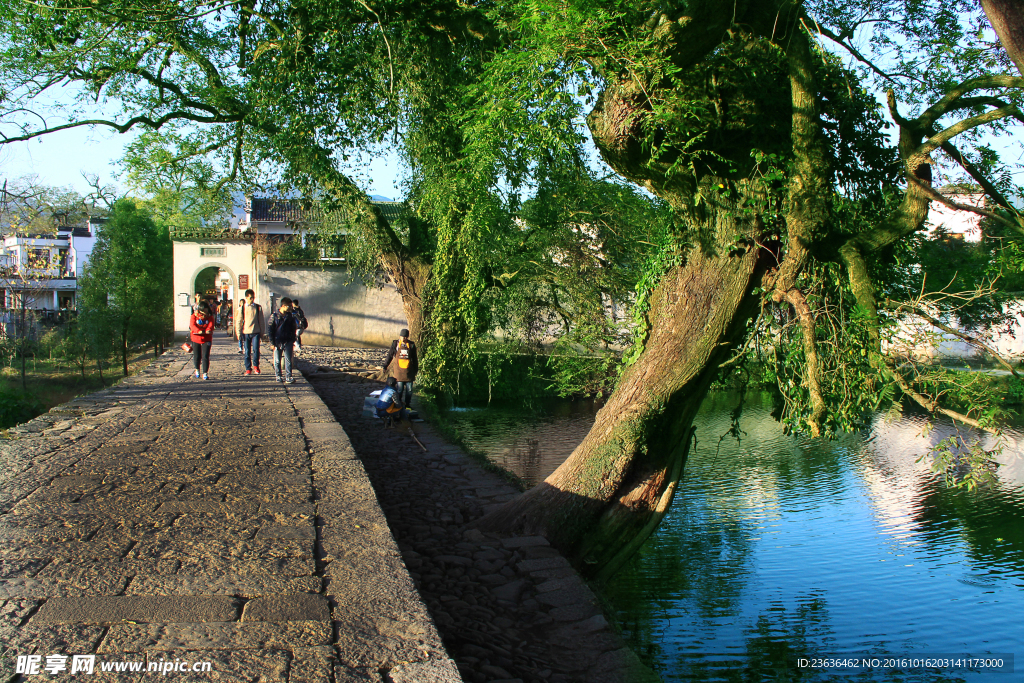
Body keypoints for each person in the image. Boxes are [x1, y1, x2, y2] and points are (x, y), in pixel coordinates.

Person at [382, 327, 418, 407]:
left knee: (409, 390)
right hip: (399, 371)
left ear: (408, 337)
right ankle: (398, 405)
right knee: (399, 390)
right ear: (400, 336)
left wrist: (416, 370)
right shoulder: (396, 344)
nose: (404, 338)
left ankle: (407, 405)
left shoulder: (411, 345)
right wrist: (385, 366)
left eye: (405, 337)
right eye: (402, 336)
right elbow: (390, 355)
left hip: (409, 371)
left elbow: (415, 359)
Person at [268, 297, 300, 383]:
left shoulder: (290, 317)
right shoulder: (274, 316)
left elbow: (293, 328)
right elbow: (270, 330)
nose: (291, 308)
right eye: (289, 306)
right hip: (277, 341)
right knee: (277, 360)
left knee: (288, 359)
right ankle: (278, 376)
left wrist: (293, 339)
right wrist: (272, 342)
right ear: (283, 306)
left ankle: (288, 376)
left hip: (288, 340)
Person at [235, 289, 266, 375]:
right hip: (246, 332)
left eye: (253, 297)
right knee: (247, 351)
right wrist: (238, 333)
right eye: (250, 298)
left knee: (256, 350)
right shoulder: (242, 308)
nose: (252, 299)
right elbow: (239, 321)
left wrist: (262, 333)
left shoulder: (258, 307)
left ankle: (256, 366)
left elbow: (261, 321)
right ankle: (248, 368)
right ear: (246, 298)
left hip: (256, 332)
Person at [189, 302, 215, 380]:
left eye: (205, 310)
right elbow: (192, 325)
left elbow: (211, 325)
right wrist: (198, 330)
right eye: (202, 310)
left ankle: (205, 372)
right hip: (196, 338)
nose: (204, 312)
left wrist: (208, 330)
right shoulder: (194, 316)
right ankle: (197, 369)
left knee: (205, 356)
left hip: (206, 338)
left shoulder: (210, 317)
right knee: (197, 356)